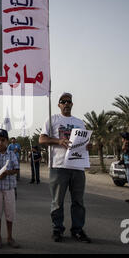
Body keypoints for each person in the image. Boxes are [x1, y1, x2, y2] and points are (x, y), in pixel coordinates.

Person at [39, 92, 92, 243]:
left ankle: (77, 230)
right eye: (63, 101)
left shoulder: (80, 122)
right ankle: (57, 229)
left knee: (78, 201)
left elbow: (83, 142)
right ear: (59, 104)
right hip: (59, 166)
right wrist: (58, 141)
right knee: (57, 201)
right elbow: (42, 139)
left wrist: (88, 146)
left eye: (69, 101)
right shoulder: (53, 119)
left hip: (77, 167)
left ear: (72, 104)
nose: (66, 103)